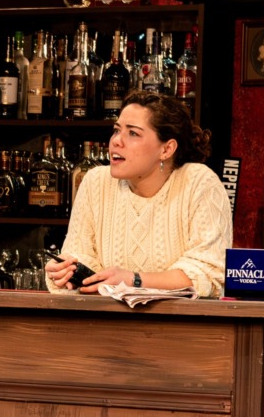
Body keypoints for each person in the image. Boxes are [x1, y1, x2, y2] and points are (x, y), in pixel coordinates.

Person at [46, 91, 232, 296]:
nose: (117, 141)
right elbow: (82, 256)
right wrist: (68, 271)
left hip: (181, 325)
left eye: (133, 133)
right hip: (107, 322)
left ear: (167, 149)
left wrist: (133, 280)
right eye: (116, 131)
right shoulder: (95, 182)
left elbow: (208, 274)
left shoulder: (199, 183)